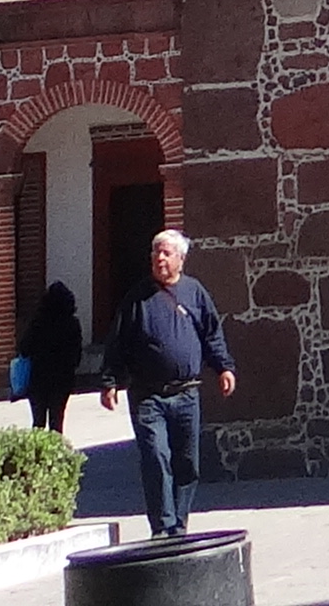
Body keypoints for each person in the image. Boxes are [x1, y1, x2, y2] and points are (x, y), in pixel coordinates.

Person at [94, 226, 233, 539]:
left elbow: (212, 333)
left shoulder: (195, 292)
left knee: (187, 463)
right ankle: (162, 525)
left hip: (187, 394)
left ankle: (178, 525)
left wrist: (223, 367)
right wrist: (110, 381)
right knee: (156, 457)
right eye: (155, 252)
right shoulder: (137, 298)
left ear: (180, 260)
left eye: (166, 253)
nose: (159, 258)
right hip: (148, 397)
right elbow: (118, 342)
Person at [14, 275, 82, 435]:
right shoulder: (72, 324)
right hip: (62, 380)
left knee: (38, 422)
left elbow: (24, 348)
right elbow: (76, 353)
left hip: (38, 378)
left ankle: (38, 454)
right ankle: (55, 455)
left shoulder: (38, 322)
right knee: (57, 421)